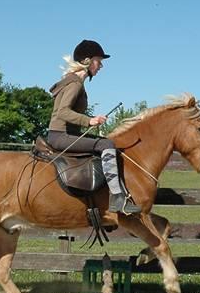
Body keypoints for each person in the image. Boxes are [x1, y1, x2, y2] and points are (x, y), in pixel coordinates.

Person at [47, 39, 141, 215]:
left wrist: (91, 120)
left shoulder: (72, 81)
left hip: (60, 134)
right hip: (60, 136)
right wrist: (89, 121)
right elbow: (62, 112)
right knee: (107, 145)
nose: (101, 66)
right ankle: (118, 198)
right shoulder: (75, 84)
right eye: (99, 61)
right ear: (87, 61)